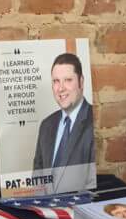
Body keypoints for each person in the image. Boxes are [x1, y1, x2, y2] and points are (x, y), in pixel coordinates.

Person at [31, 53, 95, 194]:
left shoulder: (94, 120)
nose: (61, 88)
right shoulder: (46, 125)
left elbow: (92, 183)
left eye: (67, 80)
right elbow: (38, 173)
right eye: (56, 81)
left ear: (81, 81)